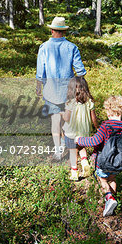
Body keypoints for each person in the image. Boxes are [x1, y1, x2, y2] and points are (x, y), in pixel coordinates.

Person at [76, 95, 122, 217]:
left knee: (102, 180)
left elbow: (94, 141)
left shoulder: (105, 127)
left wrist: (79, 140)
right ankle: (112, 199)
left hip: (103, 162)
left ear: (108, 111)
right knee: (112, 179)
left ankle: (109, 198)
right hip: (119, 163)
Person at [36, 16, 87, 160]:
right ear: (64, 31)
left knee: (55, 122)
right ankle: (68, 144)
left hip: (50, 90)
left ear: (52, 30)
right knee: (67, 121)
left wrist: (38, 87)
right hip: (68, 91)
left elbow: (41, 72)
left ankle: (58, 152)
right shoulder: (72, 47)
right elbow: (81, 71)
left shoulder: (44, 47)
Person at [60, 76, 99, 181]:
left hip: (71, 132)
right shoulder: (89, 101)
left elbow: (67, 118)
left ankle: (74, 172)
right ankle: (85, 163)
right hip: (84, 131)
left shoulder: (70, 102)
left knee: (73, 151)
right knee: (82, 147)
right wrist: (97, 127)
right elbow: (93, 118)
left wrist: (61, 114)